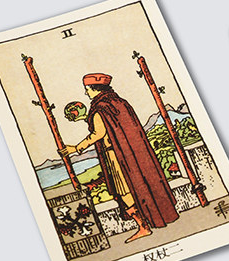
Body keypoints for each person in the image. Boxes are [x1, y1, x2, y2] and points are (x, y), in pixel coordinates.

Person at [60, 73, 179, 243]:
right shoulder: (119, 103)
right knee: (140, 186)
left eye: (87, 89)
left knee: (124, 192)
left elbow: (99, 133)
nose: (86, 93)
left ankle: (143, 227)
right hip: (132, 156)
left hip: (116, 157)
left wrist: (76, 148)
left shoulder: (100, 108)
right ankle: (152, 220)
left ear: (96, 89)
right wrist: (86, 118)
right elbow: (111, 126)